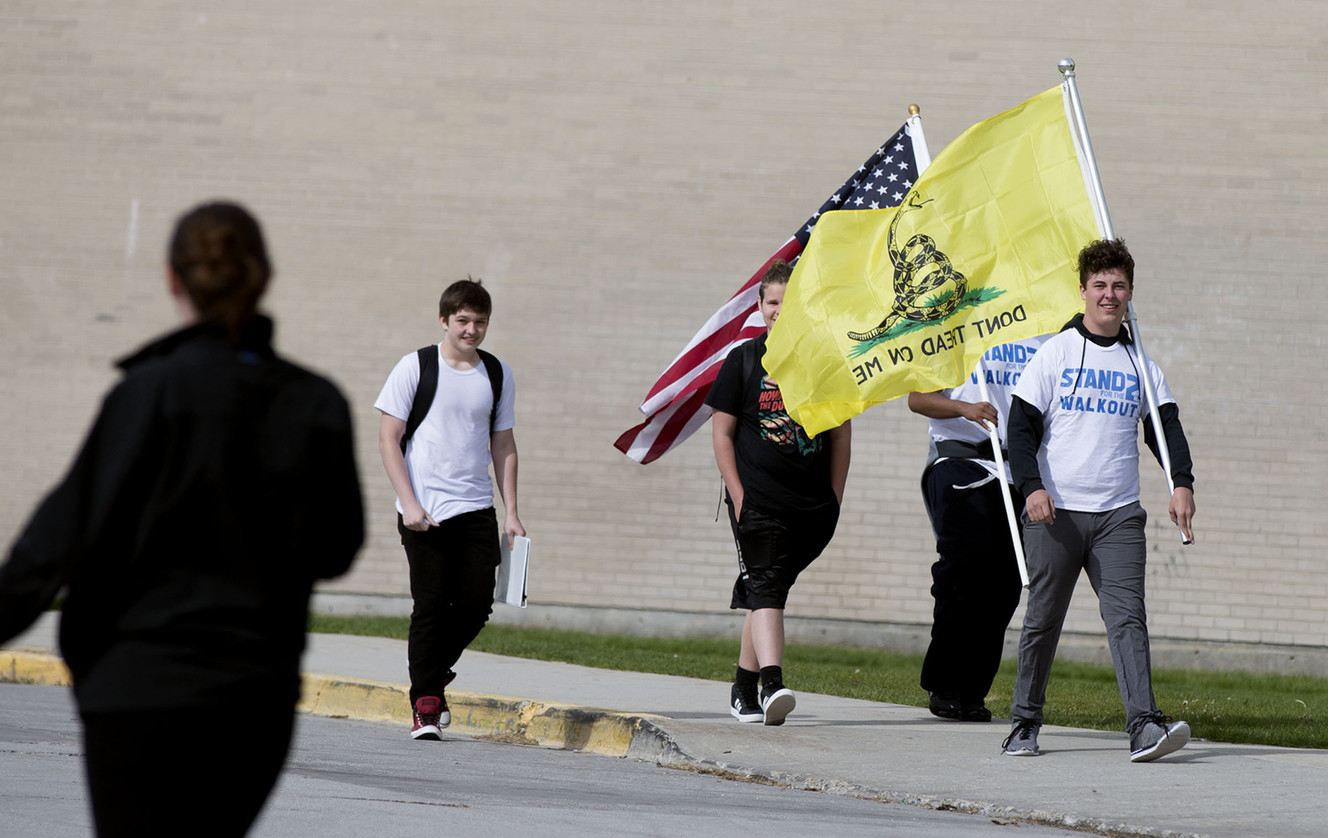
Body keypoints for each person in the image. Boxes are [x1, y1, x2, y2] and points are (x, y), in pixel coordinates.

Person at [0, 201, 365, 835]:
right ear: (264, 277)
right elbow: (336, 548)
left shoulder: (150, 393)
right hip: (254, 694)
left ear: (172, 279)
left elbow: (56, 539)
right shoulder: (315, 403)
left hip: (137, 686)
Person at [1003, 238, 1196, 762]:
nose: (1109, 295)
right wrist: (1032, 489)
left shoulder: (1141, 364)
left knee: (1128, 619)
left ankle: (1144, 726)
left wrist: (1182, 481)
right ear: (1083, 291)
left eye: (1119, 286)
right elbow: (1018, 432)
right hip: (1056, 514)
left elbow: (1165, 429)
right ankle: (1024, 723)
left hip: (1118, 516)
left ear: (1130, 293)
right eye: (1100, 286)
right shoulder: (1056, 353)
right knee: (1043, 621)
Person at [375, 278, 524, 740]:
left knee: (479, 602)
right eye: (462, 320)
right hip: (425, 511)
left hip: (476, 506)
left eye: (480, 322)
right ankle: (425, 705)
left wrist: (513, 510)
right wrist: (410, 503)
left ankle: (432, 676)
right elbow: (388, 438)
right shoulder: (415, 367)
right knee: (432, 605)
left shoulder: (496, 374)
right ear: (444, 320)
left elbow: (504, 444)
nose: (471, 330)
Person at [705, 259, 851, 726]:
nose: (780, 311)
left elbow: (841, 437)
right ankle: (772, 684)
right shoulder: (744, 360)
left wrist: (835, 496)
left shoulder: (824, 363)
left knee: (767, 589)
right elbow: (722, 434)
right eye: (772, 303)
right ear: (761, 306)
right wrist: (739, 494)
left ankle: (742, 689)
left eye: (790, 303)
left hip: (811, 504)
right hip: (758, 500)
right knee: (767, 585)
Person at [907, 334, 1048, 722]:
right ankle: (943, 682)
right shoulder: (958, 328)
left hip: (1014, 470)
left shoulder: (1046, 337)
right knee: (965, 565)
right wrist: (963, 408)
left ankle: (972, 691)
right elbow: (917, 398)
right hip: (960, 462)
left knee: (1005, 583)